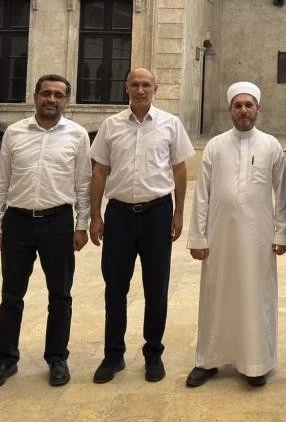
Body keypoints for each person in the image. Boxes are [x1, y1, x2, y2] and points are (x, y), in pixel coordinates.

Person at [0, 74, 92, 390]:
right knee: (11, 295)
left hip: (58, 221)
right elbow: (1, 181)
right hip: (17, 222)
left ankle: (57, 358)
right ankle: (6, 359)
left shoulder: (77, 135)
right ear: (35, 96)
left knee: (60, 294)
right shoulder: (15, 133)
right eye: (46, 93)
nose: (51, 99)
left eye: (58, 95)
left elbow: (83, 183)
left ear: (66, 101)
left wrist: (81, 225)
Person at [88, 67, 194, 384]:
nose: (140, 89)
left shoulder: (170, 124)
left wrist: (178, 213)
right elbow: (99, 171)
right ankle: (113, 355)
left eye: (146, 84)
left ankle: (153, 353)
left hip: (156, 213)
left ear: (155, 89)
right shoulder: (111, 126)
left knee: (156, 287)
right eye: (135, 84)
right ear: (126, 88)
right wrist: (95, 215)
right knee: (115, 288)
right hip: (119, 215)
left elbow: (179, 170)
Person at [185, 82, 286, 388]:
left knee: (257, 297)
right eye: (238, 105)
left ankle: (256, 363)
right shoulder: (215, 146)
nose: (244, 110)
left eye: (249, 105)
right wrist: (198, 238)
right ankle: (208, 360)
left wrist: (281, 233)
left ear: (258, 109)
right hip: (219, 236)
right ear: (230, 109)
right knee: (215, 296)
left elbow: (282, 193)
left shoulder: (271, 145)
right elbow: (201, 195)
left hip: (259, 239)